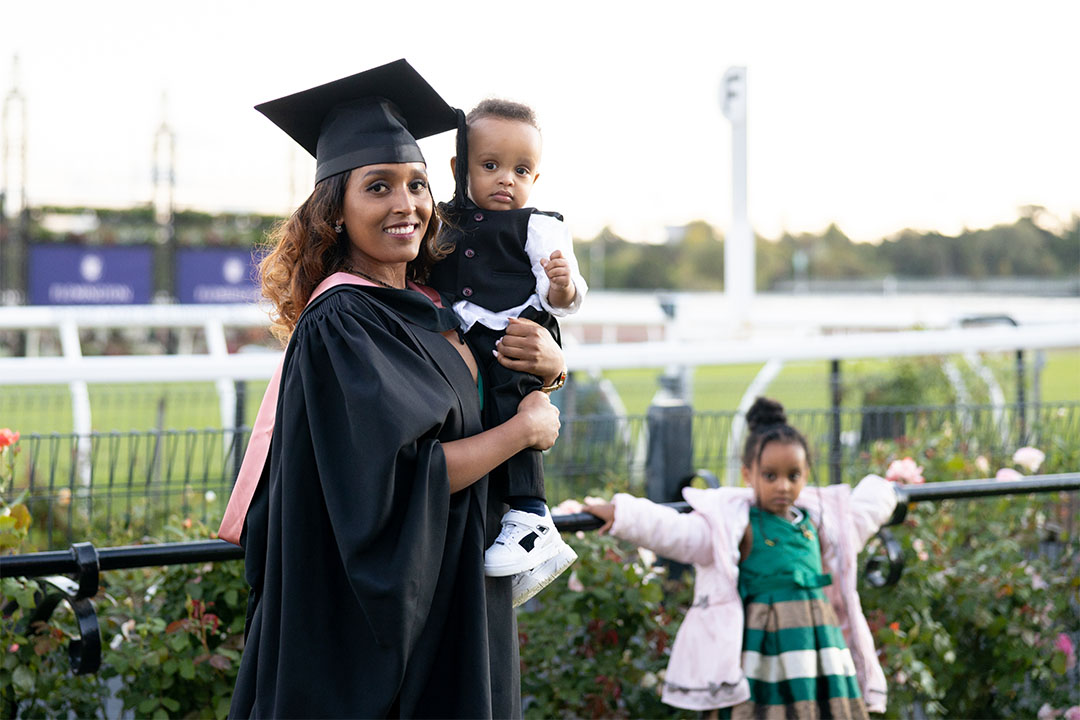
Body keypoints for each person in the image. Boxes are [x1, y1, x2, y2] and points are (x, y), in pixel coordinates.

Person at [218, 60, 565, 718]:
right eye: (378, 187)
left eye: (417, 184)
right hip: (386, 632)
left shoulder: (429, 309)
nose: (406, 204)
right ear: (336, 212)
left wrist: (550, 365)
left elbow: (485, 398)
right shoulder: (345, 323)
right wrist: (525, 432)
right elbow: (406, 478)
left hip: (455, 594)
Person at [584, 397, 897, 718]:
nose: (783, 486)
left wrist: (890, 488)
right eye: (770, 475)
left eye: (794, 475)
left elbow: (861, 514)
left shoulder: (819, 523)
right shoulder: (736, 526)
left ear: (806, 475)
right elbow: (676, 531)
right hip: (763, 653)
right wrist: (622, 514)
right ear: (749, 474)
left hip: (819, 649)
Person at [426, 99, 587, 606]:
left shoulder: (538, 226)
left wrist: (562, 288)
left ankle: (531, 513)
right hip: (467, 330)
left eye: (521, 171)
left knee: (513, 406)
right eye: (490, 165)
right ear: (460, 168)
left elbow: (567, 296)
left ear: (536, 178)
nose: (505, 181)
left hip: (516, 332)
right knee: (484, 414)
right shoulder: (437, 219)